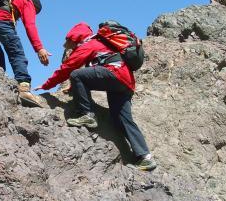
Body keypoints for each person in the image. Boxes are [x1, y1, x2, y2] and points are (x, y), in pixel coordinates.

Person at [36, 21, 157, 171]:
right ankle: (145, 157)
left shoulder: (89, 44)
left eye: (67, 41)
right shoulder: (102, 44)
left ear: (75, 38)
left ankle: (87, 115)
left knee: (76, 74)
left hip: (114, 73)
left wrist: (46, 85)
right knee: (121, 118)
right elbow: (93, 73)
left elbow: (68, 68)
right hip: (126, 82)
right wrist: (74, 86)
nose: (65, 45)